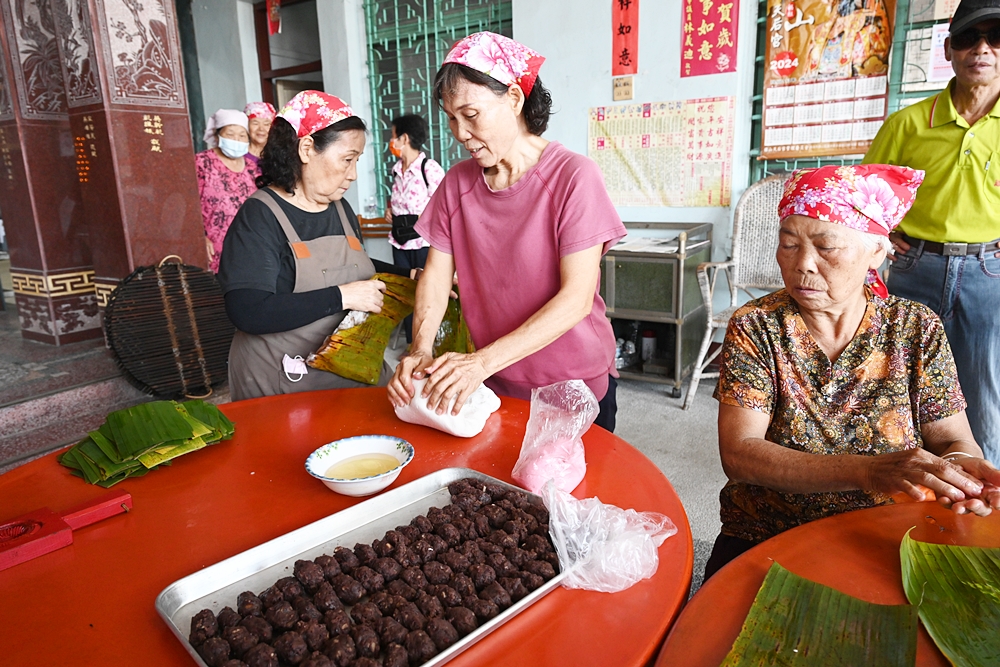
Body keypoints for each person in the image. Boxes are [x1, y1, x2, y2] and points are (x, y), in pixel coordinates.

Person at [703, 165, 1000, 581]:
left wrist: (960, 472)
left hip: (889, 532)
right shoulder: (757, 326)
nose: (803, 264)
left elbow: (952, 438)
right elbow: (740, 453)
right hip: (767, 531)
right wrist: (870, 471)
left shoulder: (915, 326)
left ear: (876, 252)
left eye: (826, 247)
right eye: (788, 245)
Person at [386, 32, 627, 432]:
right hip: (494, 383)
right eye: (450, 118)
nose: (460, 133)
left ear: (514, 99)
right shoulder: (456, 184)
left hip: (572, 385)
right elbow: (435, 275)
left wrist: (480, 362)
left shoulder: (573, 176)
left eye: (471, 114)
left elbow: (576, 299)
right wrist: (420, 349)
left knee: (568, 491)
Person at [862, 0, 1000, 465]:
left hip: (990, 272)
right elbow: (866, 195)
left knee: (983, 389)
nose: (982, 48)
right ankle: (898, 486)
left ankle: (982, 500)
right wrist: (885, 232)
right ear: (949, 48)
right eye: (968, 38)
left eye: (995, 37)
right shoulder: (908, 123)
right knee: (898, 382)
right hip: (916, 266)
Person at [218, 91, 417, 400]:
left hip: (345, 371)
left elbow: (355, 265)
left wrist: (415, 277)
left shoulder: (339, 208)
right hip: (282, 382)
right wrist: (342, 297)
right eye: (347, 159)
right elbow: (248, 310)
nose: (352, 174)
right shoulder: (260, 217)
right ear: (307, 148)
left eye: (357, 161)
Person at [384, 113, 445, 343]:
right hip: (398, 241)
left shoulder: (429, 169)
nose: (392, 141)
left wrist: (420, 216)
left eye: (393, 136)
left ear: (404, 138)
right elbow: (398, 202)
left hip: (423, 242)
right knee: (405, 291)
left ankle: (429, 343)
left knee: (426, 291)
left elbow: (443, 207)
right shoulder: (396, 170)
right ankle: (411, 343)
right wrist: (389, 211)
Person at [195, 109, 260, 273]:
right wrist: (197, 237)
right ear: (217, 137)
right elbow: (187, 203)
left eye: (242, 135)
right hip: (214, 249)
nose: (236, 140)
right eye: (230, 134)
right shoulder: (201, 162)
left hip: (249, 247)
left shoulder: (253, 168)